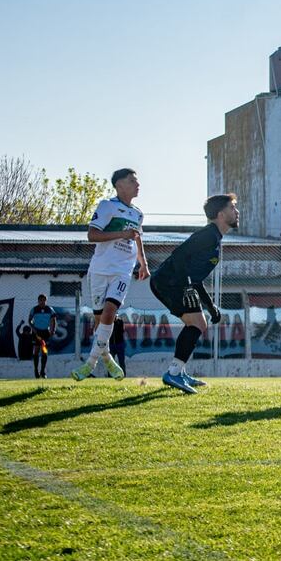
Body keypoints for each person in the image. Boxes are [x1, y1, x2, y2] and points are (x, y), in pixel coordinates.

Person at [150, 193, 239, 394]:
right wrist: (187, 286)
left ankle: (178, 371)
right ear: (220, 214)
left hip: (176, 283)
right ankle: (173, 373)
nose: (237, 212)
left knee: (199, 323)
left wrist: (210, 306)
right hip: (168, 282)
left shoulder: (215, 237)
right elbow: (179, 255)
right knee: (197, 324)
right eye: (232, 208)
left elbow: (195, 278)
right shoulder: (209, 234)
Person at [71, 168, 149, 382]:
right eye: (132, 180)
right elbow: (92, 235)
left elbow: (137, 238)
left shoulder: (138, 213)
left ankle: (89, 364)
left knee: (110, 312)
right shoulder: (107, 206)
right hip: (99, 270)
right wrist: (121, 234)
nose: (137, 184)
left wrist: (143, 263)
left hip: (122, 271)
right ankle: (106, 359)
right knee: (100, 322)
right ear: (119, 185)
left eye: (137, 180)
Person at [28, 294, 57, 378]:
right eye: (40, 300)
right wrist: (33, 328)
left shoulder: (49, 309)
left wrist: (52, 329)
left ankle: (43, 371)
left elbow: (53, 320)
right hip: (37, 332)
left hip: (45, 332)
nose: (42, 302)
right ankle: (36, 370)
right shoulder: (34, 309)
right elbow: (29, 320)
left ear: (45, 300)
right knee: (36, 350)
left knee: (44, 351)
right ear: (38, 301)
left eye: (43, 300)